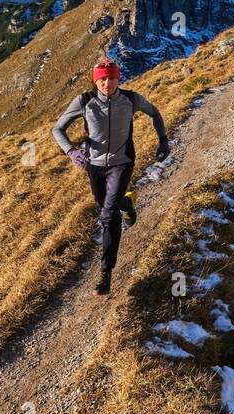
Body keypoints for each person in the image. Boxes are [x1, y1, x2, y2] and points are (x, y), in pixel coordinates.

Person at [53, 58, 169, 295]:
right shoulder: (84, 101)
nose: (107, 83)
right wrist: (72, 151)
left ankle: (106, 273)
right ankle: (127, 203)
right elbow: (58, 129)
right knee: (106, 203)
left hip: (122, 162)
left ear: (119, 78)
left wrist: (163, 140)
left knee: (108, 215)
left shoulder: (131, 99)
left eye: (112, 78)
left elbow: (154, 112)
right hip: (93, 165)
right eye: (102, 79)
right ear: (96, 81)